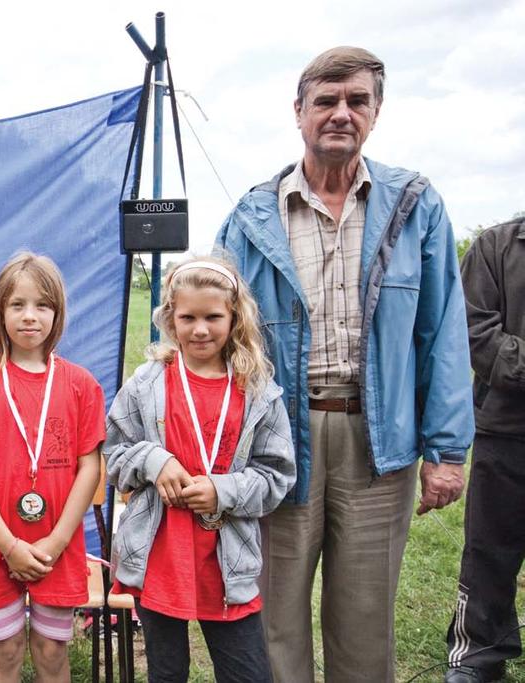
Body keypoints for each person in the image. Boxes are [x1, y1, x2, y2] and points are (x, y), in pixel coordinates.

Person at [216, 46, 474, 682]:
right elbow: (211, 339)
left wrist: (446, 449)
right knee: (273, 618)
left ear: (376, 112)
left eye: (356, 100)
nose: (340, 113)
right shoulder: (251, 217)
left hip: (377, 443)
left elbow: (444, 333)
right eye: (325, 101)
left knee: (365, 621)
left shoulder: (416, 209)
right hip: (277, 444)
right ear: (298, 112)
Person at [105, 257, 295, 682]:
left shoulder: (258, 391)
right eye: (188, 317)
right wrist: (154, 461)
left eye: (213, 316)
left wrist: (221, 490)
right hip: (159, 557)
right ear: (170, 318)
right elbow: (114, 455)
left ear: (235, 317)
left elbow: (277, 476)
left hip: (227, 563)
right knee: (166, 672)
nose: (201, 329)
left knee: (247, 674)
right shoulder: (146, 384)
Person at [0, 252, 104, 683]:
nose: (30, 317)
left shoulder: (81, 385)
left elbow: (89, 469)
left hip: (58, 546)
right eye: (18, 305)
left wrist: (53, 542)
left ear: (58, 313)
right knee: (7, 648)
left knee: (52, 650)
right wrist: (8, 545)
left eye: (42, 305)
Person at [444, 217, 525, 683]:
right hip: (507, 430)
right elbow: (474, 332)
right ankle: (476, 657)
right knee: (489, 551)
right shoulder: (496, 246)